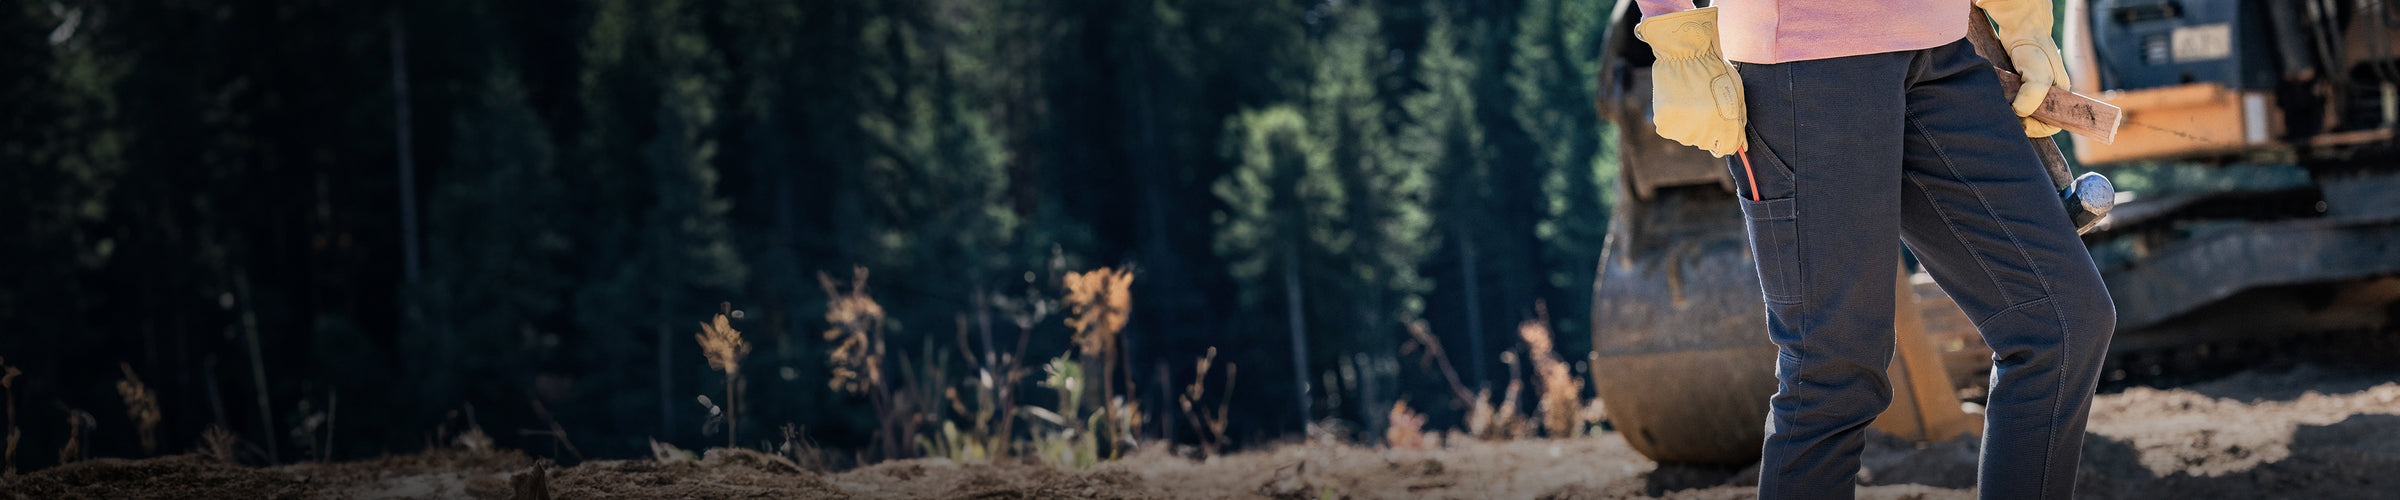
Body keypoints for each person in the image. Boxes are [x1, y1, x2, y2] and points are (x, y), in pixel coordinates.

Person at [1630, 0, 2117, 498]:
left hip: (1942, 52)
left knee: (2062, 320)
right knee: (1835, 368)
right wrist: (1676, 36)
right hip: (1802, 61)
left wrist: (2022, 16)